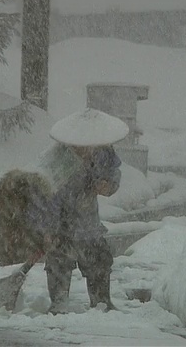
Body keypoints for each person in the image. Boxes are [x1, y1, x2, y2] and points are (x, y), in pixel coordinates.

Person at [27, 108, 129, 315]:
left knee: (99, 259)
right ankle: (59, 302)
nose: (86, 150)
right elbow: (47, 195)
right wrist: (47, 228)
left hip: (88, 222)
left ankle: (101, 302)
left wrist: (108, 186)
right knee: (59, 261)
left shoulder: (104, 152)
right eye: (82, 147)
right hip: (60, 223)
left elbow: (113, 174)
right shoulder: (57, 159)